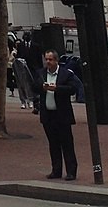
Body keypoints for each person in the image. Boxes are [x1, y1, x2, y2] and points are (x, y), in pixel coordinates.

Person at [34, 49, 78, 181]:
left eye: (50, 59)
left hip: (62, 115)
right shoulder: (41, 73)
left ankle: (71, 171)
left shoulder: (66, 74)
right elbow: (34, 86)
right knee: (53, 144)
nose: (48, 62)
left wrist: (56, 88)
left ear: (56, 61)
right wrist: (42, 87)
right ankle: (56, 170)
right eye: (46, 59)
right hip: (48, 115)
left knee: (67, 144)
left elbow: (72, 89)